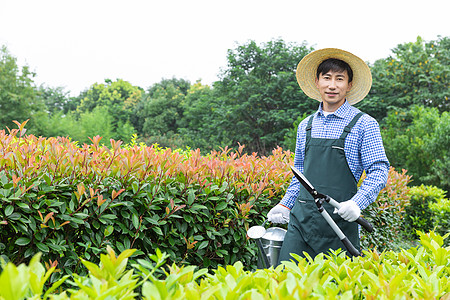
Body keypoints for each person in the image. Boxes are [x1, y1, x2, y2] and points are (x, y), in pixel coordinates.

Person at [268, 48, 389, 263]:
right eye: (327, 78)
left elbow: (378, 172)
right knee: (286, 284)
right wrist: (284, 204)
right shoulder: (305, 126)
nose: (332, 85)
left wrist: (357, 203)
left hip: (339, 224)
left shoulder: (364, 124)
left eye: (339, 79)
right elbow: (300, 176)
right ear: (317, 82)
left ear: (349, 85)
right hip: (301, 224)